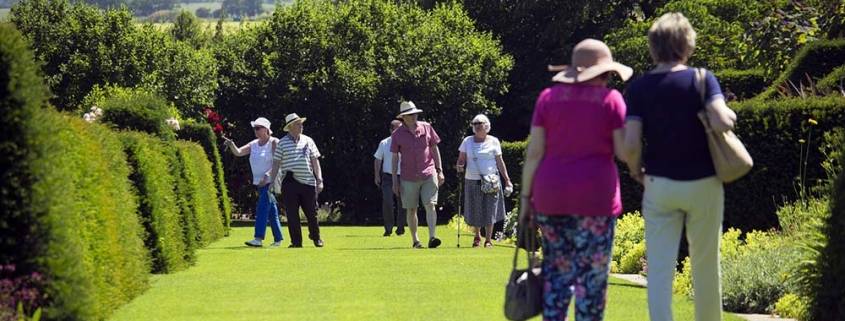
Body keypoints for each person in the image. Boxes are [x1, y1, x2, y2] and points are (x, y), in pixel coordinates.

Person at [622, 13, 735, 321]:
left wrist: (636, 169)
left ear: (653, 46)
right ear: (688, 43)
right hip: (704, 182)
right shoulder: (702, 79)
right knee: (706, 265)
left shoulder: (640, 88)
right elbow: (723, 120)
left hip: (659, 183)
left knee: (659, 269)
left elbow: (630, 144)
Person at [518, 39, 632, 320]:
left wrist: (525, 199)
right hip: (596, 199)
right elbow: (623, 151)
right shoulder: (611, 100)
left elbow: (534, 153)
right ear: (603, 73)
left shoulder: (547, 98)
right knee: (591, 283)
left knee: (556, 278)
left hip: (551, 197)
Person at [390, 101, 445, 249]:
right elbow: (394, 158)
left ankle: (432, 237)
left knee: (430, 205)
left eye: (415, 114)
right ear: (403, 117)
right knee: (411, 209)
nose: (414, 116)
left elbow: (435, 149)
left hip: (428, 172)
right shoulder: (397, 134)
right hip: (408, 176)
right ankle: (415, 240)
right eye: (410, 114)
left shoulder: (427, 127)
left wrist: (439, 170)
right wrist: (395, 181)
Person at [223, 117, 284, 248]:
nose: (255, 131)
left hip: (270, 182)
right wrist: (231, 144)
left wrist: (267, 175)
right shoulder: (254, 144)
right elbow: (239, 152)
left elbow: (278, 162)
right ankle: (278, 239)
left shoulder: (274, 142)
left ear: (266, 129)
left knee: (262, 208)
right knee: (271, 211)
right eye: (254, 128)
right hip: (260, 183)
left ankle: (258, 238)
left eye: (258, 128)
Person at [269, 113, 325, 248]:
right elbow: (276, 164)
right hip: (289, 181)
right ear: (290, 127)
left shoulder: (308, 140)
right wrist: (272, 181)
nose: (301, 126)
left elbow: (315, 161)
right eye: (298, 124)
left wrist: (319, 179)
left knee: (312, 212)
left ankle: (316, 237)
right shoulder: (282, 143)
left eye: (301, 124)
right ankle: (296, 242)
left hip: (308, 182)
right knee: (292, 214)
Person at [455, 114, 512, 248]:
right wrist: (460, 165)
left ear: (486, 126)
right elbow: (461, 158)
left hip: (491, 180)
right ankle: (477, 236)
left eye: (480, 124)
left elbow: (500, 162)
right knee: (476, 208)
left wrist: (507, 180)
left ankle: (488, 239)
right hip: (472, 179)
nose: (477, 126)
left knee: (490, 209)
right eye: (475, 124)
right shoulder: (467, 141)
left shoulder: (494, 141)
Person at [374, 120, 406, 236]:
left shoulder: (406, 142)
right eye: (397, 129)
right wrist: (377, 175)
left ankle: (400, 228)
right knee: (387, 201)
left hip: (403, 176)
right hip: (387, 177)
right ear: (391, 130)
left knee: (403, 203)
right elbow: (378, 159)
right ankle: (388, 229)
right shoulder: (384, 143)